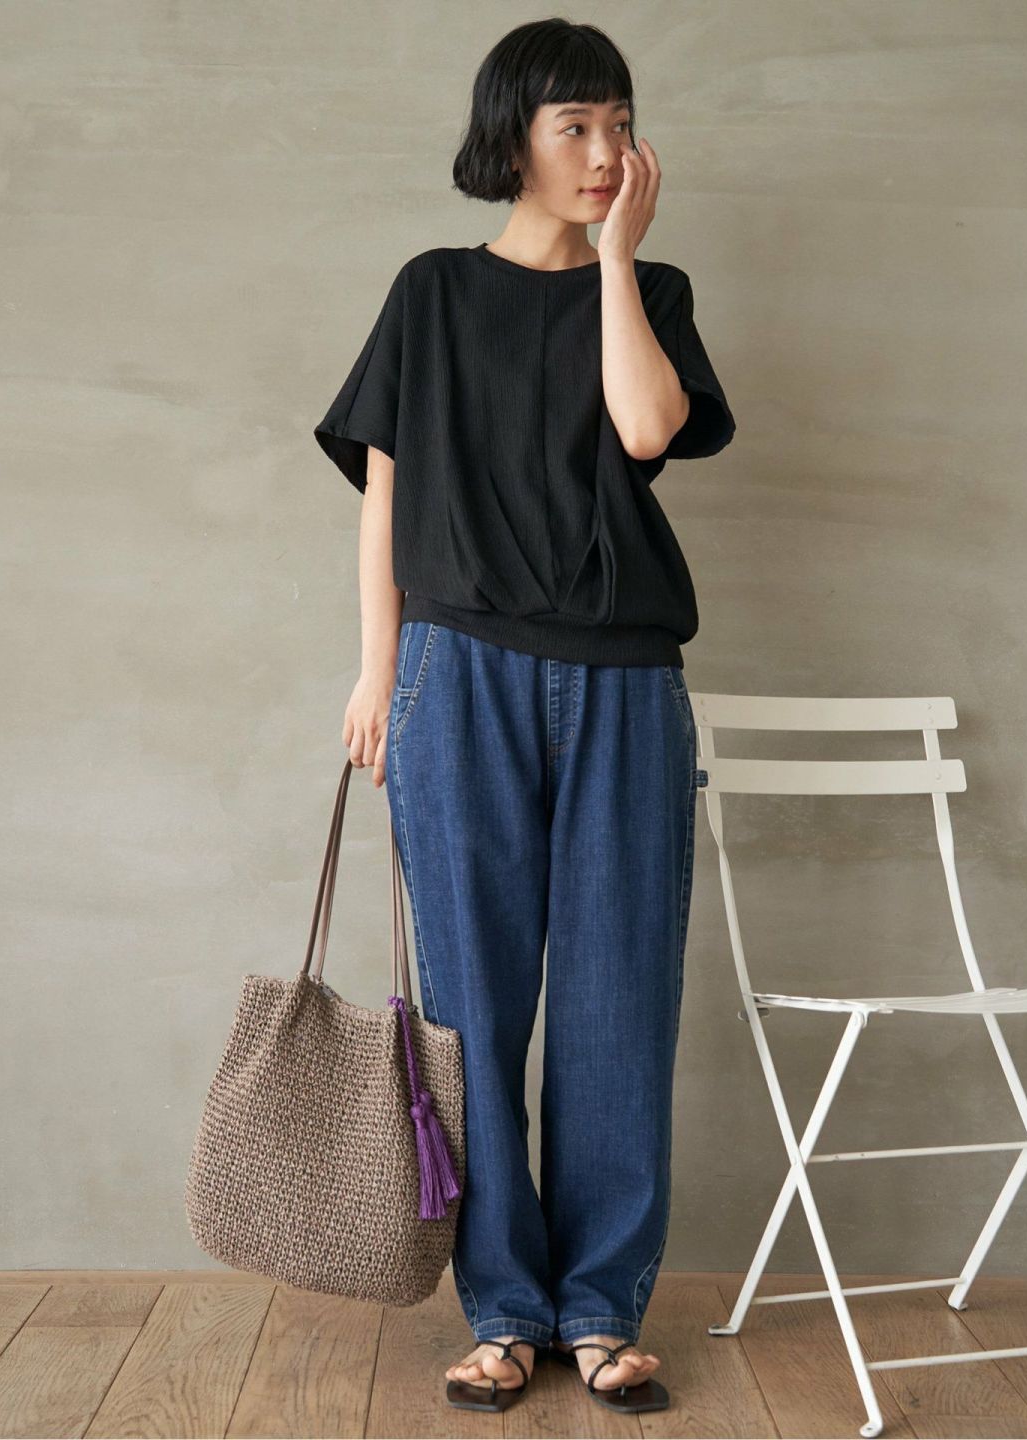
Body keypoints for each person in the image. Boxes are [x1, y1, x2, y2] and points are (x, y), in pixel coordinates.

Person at [313, 17, 734, 1416]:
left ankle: (599, 1309)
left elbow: (646, 430)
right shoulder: (432, 292)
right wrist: (376, 673)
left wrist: (613, 262)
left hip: (625, 679)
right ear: (514, 140)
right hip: (459, 673)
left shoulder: (651, 289)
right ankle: (502, 1309)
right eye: (576, 127)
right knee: (472, 1010)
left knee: (619, 1002)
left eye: (621, 123)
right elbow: (385, 498)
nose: (608, 152)